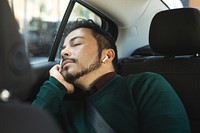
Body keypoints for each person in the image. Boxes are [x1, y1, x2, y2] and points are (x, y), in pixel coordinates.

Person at [32, 19, 190, 133]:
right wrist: (54, 85)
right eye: (64, 47)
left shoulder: (145, 86)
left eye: (77, 43)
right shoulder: (61, 103)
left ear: (107, 55)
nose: (63, 52)